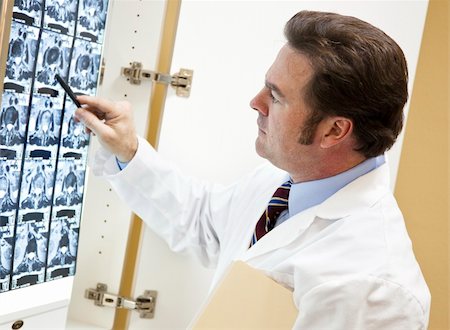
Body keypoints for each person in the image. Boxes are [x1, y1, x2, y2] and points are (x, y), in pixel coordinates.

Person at [75, 10, 430, 329]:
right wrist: (128, 149)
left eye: (276, 96)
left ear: (334, 130)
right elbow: (205, 222)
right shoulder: (288, 185)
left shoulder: (373, 288)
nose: (256, 102)